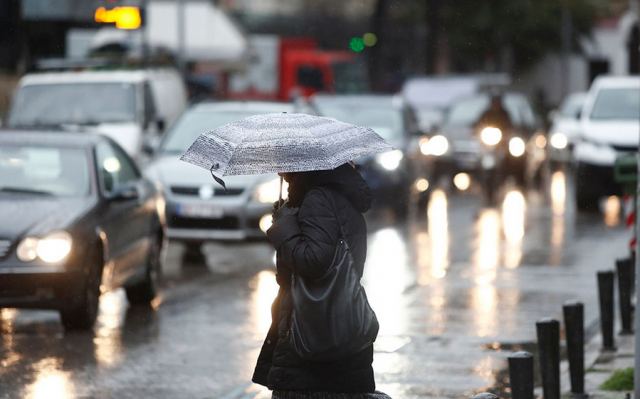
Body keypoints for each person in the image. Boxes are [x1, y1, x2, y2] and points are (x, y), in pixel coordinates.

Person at [252, 163, 389, 399]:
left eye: (287, 164)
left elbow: (314, 262)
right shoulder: (337, 197)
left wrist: (284, 229)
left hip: (313, 338)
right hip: (337, 333)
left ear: (305, 166)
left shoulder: (318, 199)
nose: (280, 172)